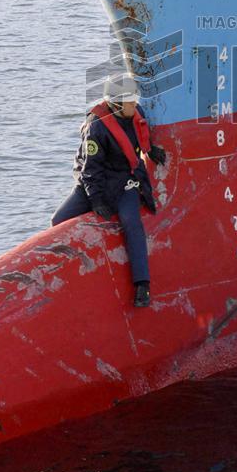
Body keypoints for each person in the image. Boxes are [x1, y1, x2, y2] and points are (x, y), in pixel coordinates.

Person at [51, 75, 166, 307]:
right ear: (115, 104)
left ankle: (142, 284)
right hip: (97, 182)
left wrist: (151, 150)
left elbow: (140, 138)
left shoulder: (136, 113)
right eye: (130, 103)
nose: (135, 106)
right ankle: (67, 275)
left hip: (125, 181)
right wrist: (96, 201)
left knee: (131, 221)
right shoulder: (96, 128)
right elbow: (90, 169)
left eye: (135, 101)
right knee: (58, 220)